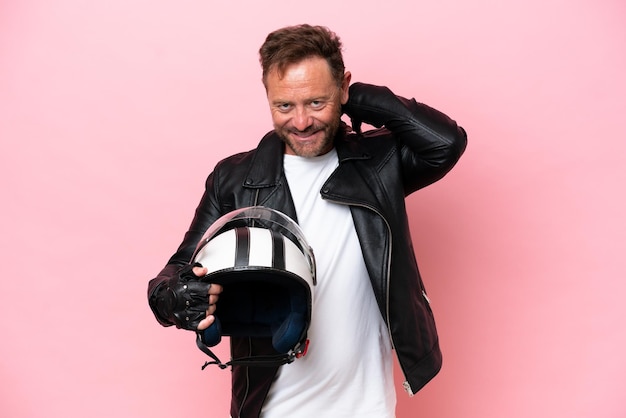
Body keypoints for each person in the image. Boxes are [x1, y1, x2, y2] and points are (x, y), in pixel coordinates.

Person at [148, 24, 467, 418]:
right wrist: (178, 296)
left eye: (317, 102)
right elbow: (174, 273)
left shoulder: (380, 163)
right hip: (274, 408)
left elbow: (446, 143)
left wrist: (356, 98)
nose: (301, 122)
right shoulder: (233, 179)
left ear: (343, 88)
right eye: (284, 106)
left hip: (368, 406)